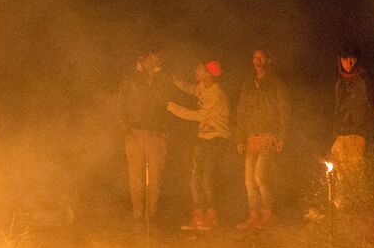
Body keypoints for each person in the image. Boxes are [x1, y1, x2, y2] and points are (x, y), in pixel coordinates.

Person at [168, 59, 230, 231]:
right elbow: (190, 88)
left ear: (208, 74)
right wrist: (173, 79)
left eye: (200, 70)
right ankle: (198, 217)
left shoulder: (217, 95)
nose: (196, 71)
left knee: (206, 179)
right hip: (203, 138)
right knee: (195, 178)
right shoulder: (202, 88)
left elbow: (198, 116)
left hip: (216, 139)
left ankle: (211, 217)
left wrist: (172, 108)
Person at [233, 48, 290, 230]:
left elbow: (284, 110)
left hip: (268, 135)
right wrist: (240, 137)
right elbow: (242, 112)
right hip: (252, 136)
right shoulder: (248, 83)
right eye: (254, 57)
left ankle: (267, 214)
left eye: (261, 57)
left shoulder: (275, 83)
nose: (257, 60)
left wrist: (281, 135)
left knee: (259, 176)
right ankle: (253, 216)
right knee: (249, 180)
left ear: (268, 60)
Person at [119, 46, 170, 224]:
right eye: (156, 57)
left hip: (156, 134)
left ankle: (151, 215)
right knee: (136, 177)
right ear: (147, 57)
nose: (159, 61)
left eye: (159, 58)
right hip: (135, 133)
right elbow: (121, 106)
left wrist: (164, 132)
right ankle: (138, 216)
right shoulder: (130, 78)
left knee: (156, 177)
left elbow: (167, 106)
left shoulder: (161, 79)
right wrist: (126, 130)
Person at [331, 43, 374, 199]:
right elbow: (337, 110)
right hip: (342, 135)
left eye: (352, 59)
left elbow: (370, 109)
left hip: (358, 135)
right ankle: (342, 214)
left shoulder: (364, 80)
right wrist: (336, 136)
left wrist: (364, 135)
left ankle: (358, 211)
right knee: (340, 178)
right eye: (344, 59)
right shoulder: (340, 83)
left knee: (357, 178)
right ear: (340, 61)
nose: (348, 63)